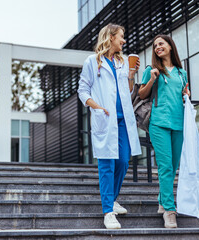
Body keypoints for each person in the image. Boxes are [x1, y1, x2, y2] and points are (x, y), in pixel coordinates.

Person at [78, 23, 142, 229]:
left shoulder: (122, 62)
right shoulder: (92, 61)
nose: (124, 41)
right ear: (111, 37)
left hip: (123, 119)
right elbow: (82, 90)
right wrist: (96, 107)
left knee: (123, 161)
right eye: (121, 37)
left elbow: (128, 90)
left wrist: (132, 73)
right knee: (107, 165)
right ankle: (108, 212)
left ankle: (112, 200)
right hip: (105, 118)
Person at [138, 35, 191, 228]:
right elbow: (141, 93)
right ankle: (169, 210)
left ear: (170, 46)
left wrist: (187, 94)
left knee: (174, 166)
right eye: (155, 46)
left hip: (179, 124)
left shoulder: (181, 73)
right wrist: (152, 80)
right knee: (165, 167)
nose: (157, 47)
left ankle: (162, 199)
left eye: (161, 44)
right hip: (159, 124)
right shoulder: (151, 71)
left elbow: (183, 94)